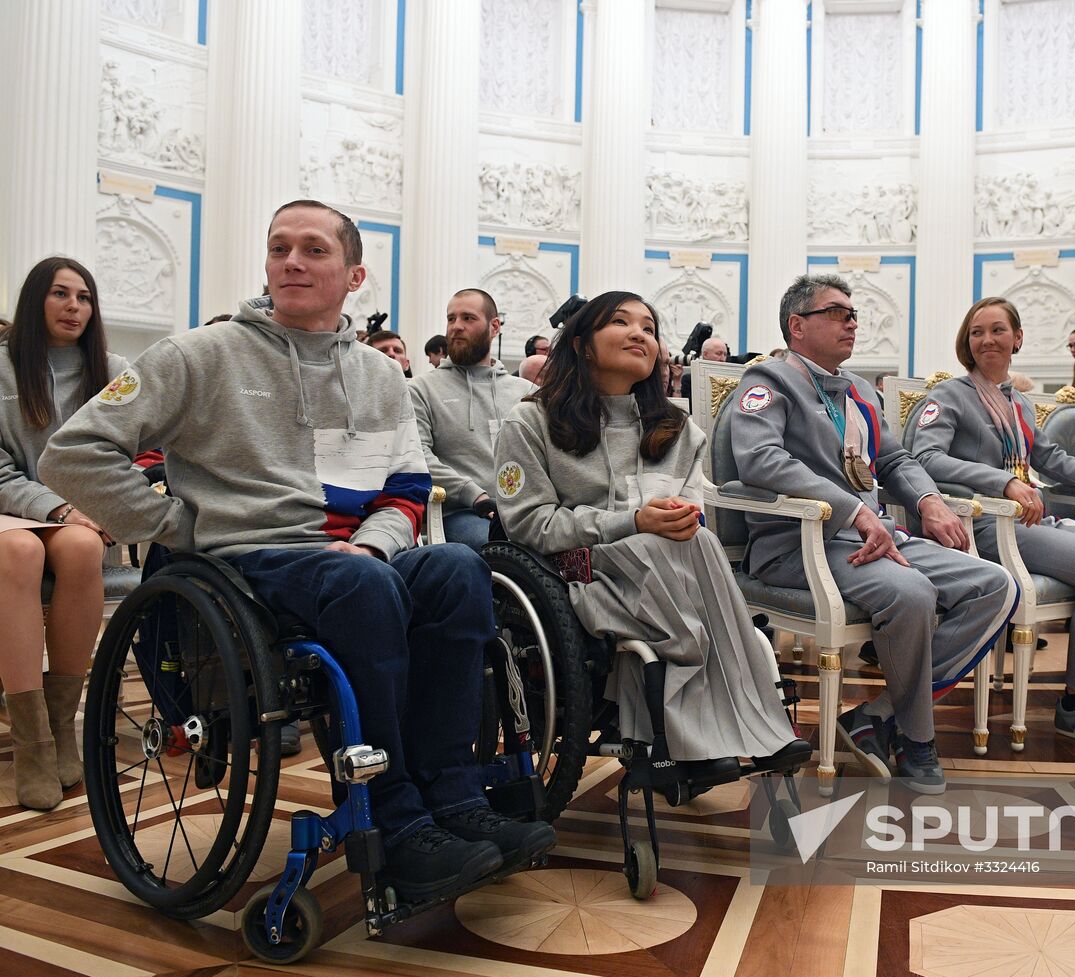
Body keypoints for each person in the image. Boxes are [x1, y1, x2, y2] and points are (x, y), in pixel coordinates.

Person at [40, 200, 553, 902]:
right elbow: (72, 452)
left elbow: (403, 484)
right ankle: (396, 818)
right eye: (280, 247)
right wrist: (174, 524)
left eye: (313, 250)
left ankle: (456, 796)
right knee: (362, 586)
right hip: (248, 560)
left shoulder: (376, 376)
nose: (291, 261)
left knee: (460, 568)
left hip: (354, 559)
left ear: (354, 274)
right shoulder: (201, 354)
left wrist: (374, 545)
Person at [494, 291, 810, 789]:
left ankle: (716, 731)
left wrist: (665, 523)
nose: (640, 333)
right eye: (621, 322)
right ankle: (700, 735)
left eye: (649, 327)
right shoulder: (530, 422)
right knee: (659, 547)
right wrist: (631, 523)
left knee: (696, 542)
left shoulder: (677, 427)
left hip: (669, 570)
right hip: (579, 572)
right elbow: (530, 526)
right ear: (581, 343)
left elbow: (687, 520)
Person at [732, 274, 1016, 793]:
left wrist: (929, 500)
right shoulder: (767, 382)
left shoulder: (859, 388)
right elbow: (759, 459)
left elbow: (893, 458)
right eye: (838, 313)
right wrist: (852, 511)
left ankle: (878, 715)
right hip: (798, 545)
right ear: (798, 325)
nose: (853, 322)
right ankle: (916, 736)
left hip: (877, 537)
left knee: (995, 585)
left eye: (853, 313)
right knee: (913, 594)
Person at [909, 298, 1075, 751]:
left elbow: (1055, 461)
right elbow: (926, 458)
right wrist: (1004, 481)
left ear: (1018, 338)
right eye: (976, 332)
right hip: (986, 525)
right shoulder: (948, 396)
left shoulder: (1021, 405)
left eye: (997, 330)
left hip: (1032, 522)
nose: (986, 340)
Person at [0, 257, 127, 810]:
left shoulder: (113, 371)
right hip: (9, 509)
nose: (74, 306)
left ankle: (60, 728)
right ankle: (31, 745)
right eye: (60, 294)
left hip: (81, 517)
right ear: (35, 301)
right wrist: (53, 508)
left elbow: (128, 454)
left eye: (84, 297)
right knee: (18, 549)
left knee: (79, 549)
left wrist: (83, 511)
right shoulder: (3, 367)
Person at [411, 288, 532, 551]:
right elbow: (418, 455)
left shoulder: (526, 392)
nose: (456, 327)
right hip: (461, 513)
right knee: (502, 550)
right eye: (451, 318)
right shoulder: (420, 389)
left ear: (494, 326)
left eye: (468, 318)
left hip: (527, 512)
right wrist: (473, 494)